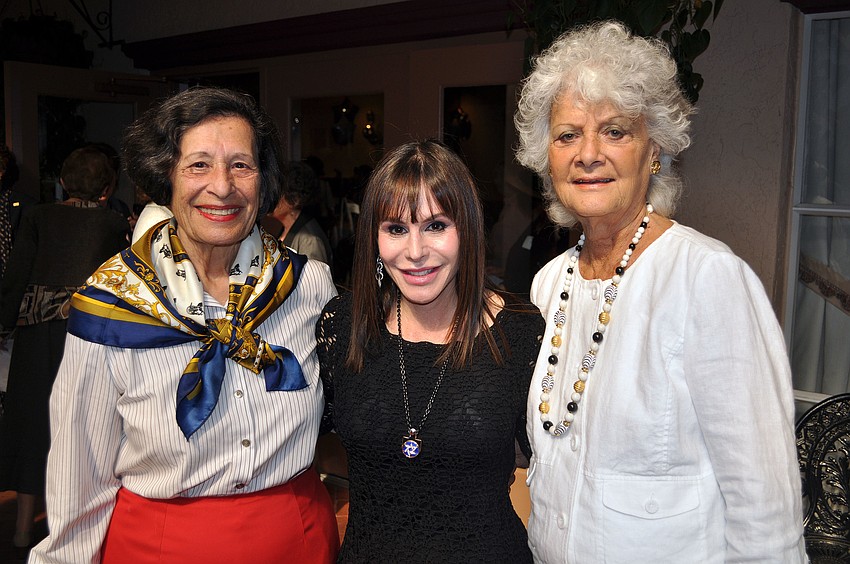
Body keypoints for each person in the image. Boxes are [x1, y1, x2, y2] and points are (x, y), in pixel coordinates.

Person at [513, 21, 807, 563]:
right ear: (545, 158)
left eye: (616, 131)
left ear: (655, 151)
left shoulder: (707, 279)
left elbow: (765, 507)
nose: (589, 153)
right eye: (567, 134)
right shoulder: (549, 282)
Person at [29, 87, 339, 563]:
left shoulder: (307, 286)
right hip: (160, 546)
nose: (222, 186)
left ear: (264, 179)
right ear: (165, 175)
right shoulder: (111, 304)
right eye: (198, 164)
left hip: (296, 540)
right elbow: (80, 475)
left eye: (241, 164)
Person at [316, 139, 544, 562]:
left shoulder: (521, 330)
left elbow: (554, 463)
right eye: (396, 229)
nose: (415, 252)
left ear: (468, 230)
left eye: (436, 225)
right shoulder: (344, 325)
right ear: (374, 237)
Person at [0, 146, 129, 551]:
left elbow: (15, 275)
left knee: (33, 424)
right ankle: (72, 529)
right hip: (87, 335)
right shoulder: (111, 224)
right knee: (83, 425)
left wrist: (5, 323)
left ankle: (22, 529)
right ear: (108, 188)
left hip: (37, 337)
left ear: (61, 182)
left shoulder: (38, 216)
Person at [262, 160, 333, 265]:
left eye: (277, 193)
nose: (270, 198)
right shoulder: (284, 229)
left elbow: (312, 280)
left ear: (294, 199)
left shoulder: (310, 241)